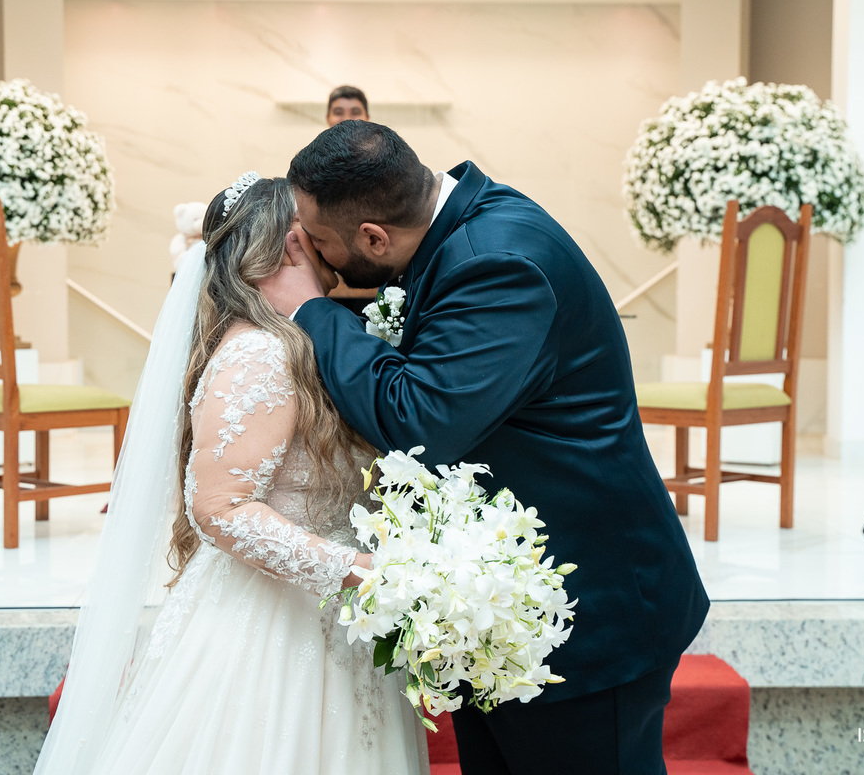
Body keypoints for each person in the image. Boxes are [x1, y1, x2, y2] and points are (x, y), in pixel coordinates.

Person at [259, 121, 711, 775]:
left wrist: (311, 310)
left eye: (321, 242)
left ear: (374, 237)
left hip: (590, 613)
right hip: (506, 604)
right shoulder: (459, 231)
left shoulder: (498, 262)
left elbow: (422, 419)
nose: (316, 260)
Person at [35, 172, 427, 775]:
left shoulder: (305, 340)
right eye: (311, 232)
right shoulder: (260, 353)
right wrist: (359, 572)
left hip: (331, 617)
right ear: (282, 246)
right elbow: (220, 508)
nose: (328, 243)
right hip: (269, 630)